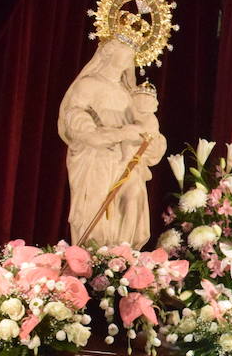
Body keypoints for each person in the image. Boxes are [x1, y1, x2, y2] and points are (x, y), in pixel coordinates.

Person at [58, 37, 165, 248]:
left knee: (131, 199)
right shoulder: (88, 84)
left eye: (133, 50)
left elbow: (148, 128)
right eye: (127, 48)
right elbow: (75, 118)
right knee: (95, 211)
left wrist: (152, 141)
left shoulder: (130, 93)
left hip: (128, 161)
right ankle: (94, 260)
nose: (131, 55)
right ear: (108, 51)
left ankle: (123, 258)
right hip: (97, 159)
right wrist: (118, 134)